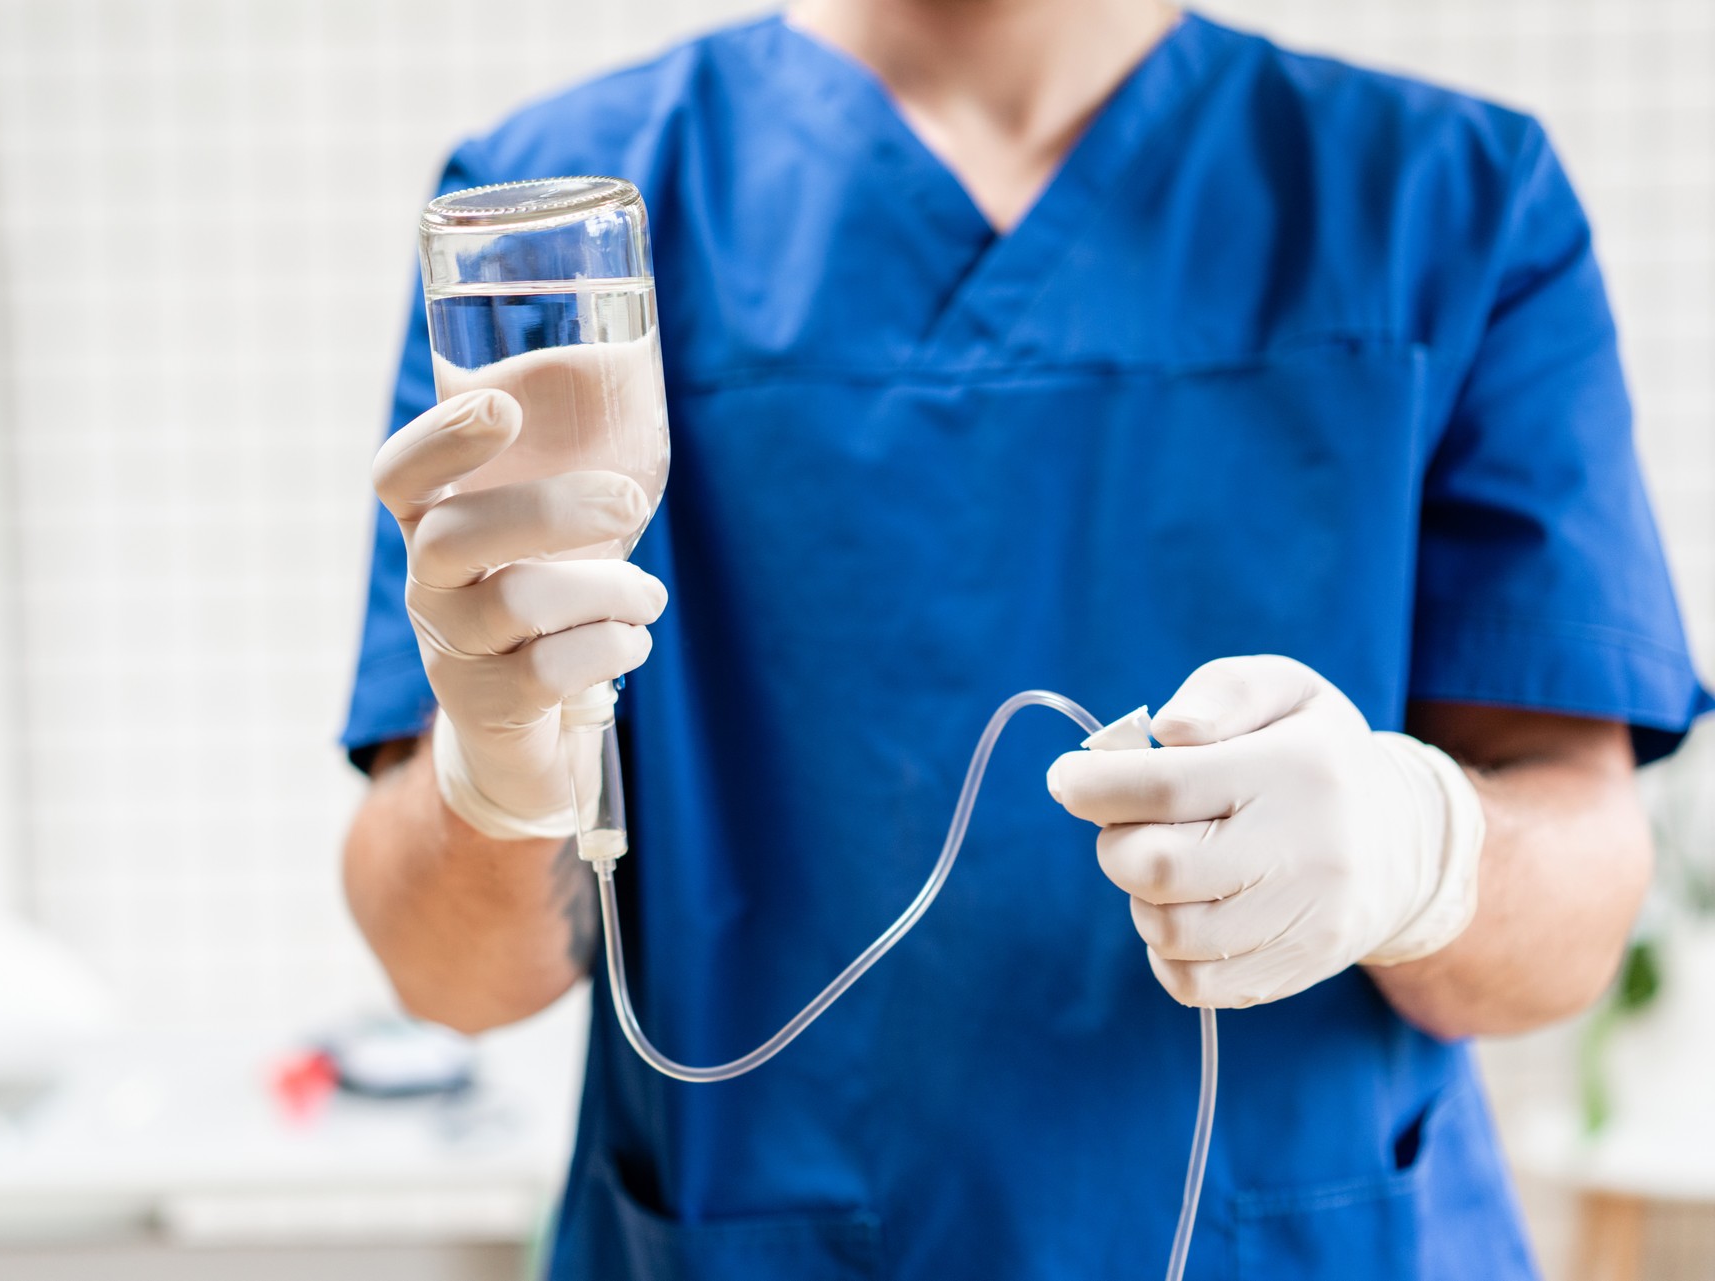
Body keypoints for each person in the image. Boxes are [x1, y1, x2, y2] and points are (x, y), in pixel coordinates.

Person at [340, 1, 1710, 1276]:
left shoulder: (1439, 202)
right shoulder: (564, 213)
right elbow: (447, 969)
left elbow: (1576, 902)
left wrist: (1425, 848)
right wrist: (497, 780)